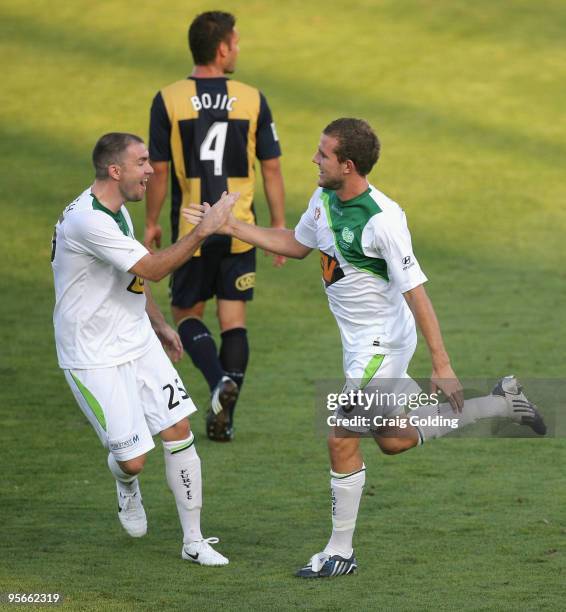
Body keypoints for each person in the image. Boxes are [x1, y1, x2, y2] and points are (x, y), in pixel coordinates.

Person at [183, 118, 546, 578]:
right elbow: (296, 245)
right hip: (358, 345)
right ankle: (503, 401)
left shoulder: (382, 220)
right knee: (394, 440)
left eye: (323, 154)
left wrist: (443, 363)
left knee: (340, 436)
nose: (314, 159)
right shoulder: (323, 198)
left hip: (383, 344)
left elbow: (417, 292)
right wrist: (228, 225)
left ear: (347, 165)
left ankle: (341, 553)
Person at [51, 132, 238, 565]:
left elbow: (133, 273)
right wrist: (203, 231)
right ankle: (126, 486)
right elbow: (152, 269)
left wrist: (158, 324)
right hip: (91, 354)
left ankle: (194, 541)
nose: (152, 171)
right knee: (133, 460)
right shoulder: (88, 221)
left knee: (179, 431)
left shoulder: (117, 211)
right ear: (115, 171)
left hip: (135, 339)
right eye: (142, 162)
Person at [145, 10, 286, 442]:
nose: (238, 49)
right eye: (236, 42)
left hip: (194, 229)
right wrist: (278, 226)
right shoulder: (251, 98)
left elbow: (160, 171)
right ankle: (225, 413)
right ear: (222, 48)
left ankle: (217, 383)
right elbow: (272, 168)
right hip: (240, 228)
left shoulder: (167, 99)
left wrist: (151, 221)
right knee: (234, 320)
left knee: (187, 314)